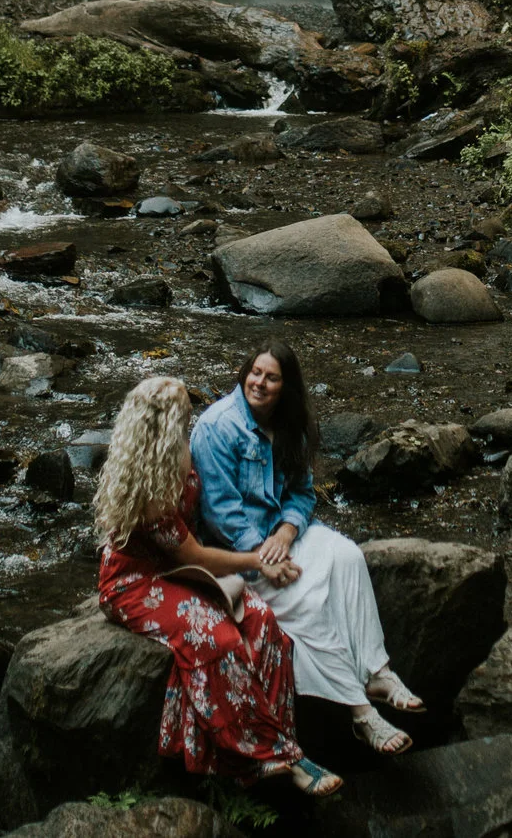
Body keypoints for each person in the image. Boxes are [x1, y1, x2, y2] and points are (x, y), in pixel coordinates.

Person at [93, 374, 343, 796]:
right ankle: (261, 756)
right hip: (136, 581)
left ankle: (278, 747)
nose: (193, 423)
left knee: (264, 623)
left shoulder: (180, 454)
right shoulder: (147, 484)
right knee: (218, 639)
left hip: (179, 572)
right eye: (185, 418)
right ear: (166, 427)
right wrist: (259, 561)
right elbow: (192, 555)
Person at [192, 341, 425, 755]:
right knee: (307, 601)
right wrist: (264, 556)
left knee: (348, 555)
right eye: (255, 373)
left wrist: (285, 532)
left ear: (287, 386)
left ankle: (378, 670)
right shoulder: (217, 427)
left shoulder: (291, 426)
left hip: (282, 536)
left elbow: (302, 494)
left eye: (272, 377)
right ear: (244, 373)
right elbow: (220, 514)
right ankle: (360, 712)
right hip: (240, 553)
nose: (259, 383)